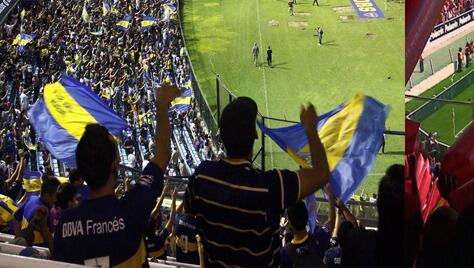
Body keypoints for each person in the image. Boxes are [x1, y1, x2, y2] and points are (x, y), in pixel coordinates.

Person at [185, 97, 330, 267]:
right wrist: (311, 129)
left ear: (222, 136)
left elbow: (189, 209)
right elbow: (321, 174)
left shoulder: (202, 175)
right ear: (254, 136)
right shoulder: (270, 185)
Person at [53, 83, 181, 266]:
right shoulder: (133, 208)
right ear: (115, 165)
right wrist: (161, 105)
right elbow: (162, 157)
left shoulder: (65, 227)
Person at [279, 200, 332, 267]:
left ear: (290, 223)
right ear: (307, 218)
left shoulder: (284, 253)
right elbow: (331, 221)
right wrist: (330, 196)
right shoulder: (319, 237)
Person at [14, 174, 59, 247]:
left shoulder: (32, 198)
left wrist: (19, 237)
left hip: (27, 242)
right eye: (56, 196)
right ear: (47, 195)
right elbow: (50, 241)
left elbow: (15, 218)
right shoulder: (44, 212)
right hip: (38, 248)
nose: (57, 199)